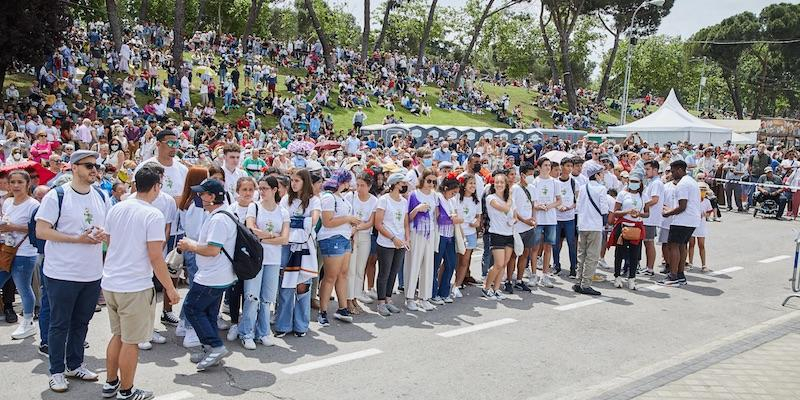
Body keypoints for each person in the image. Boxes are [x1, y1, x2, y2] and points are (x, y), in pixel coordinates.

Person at [101, 164, 180, 400]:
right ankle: (126, 390)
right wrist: (170, 287)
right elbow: (156, 256)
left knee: (118, 335)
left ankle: (111, 383)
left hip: (112, 282)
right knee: (131, 341)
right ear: (156, 187)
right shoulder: (152, 213)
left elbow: (109, 240)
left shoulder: (118, 208)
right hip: (134, 285)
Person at [36, 150, 110, 393]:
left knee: (81, 322)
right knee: (59, 324)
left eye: (95, 165)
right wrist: (77, 239)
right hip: (61, 273)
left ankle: (75, 364)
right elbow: (42, 231)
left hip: (91, 272)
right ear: (74, 167)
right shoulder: (56, 195)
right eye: (88, 165)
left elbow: (108, 230)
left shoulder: (101, 195)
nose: (94, 170)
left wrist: (102, 235)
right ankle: (56, 371)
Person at [176, 179, 237, 371]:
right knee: (209, 312)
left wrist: (189, 246)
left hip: (213, 275)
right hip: (218, 274)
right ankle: (211, 348)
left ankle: (216, 347)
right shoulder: (220, 215)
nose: (199, 196)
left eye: (203, 194)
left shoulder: (219, 219)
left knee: (192, 308)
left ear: (212, 197)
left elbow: (212, 250)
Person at [241, 176, 289, 349]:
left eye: (265, 188)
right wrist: (271, 236)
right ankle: (247, 332)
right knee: (251, 296)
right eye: (260, 188)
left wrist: (264, 237)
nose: (261, 192)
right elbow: (251, 230)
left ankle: (263, 332)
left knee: (267, 298)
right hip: (256, 259)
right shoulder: (254, 207)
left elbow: (284, 239)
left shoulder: (282, 211)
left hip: (273, 260)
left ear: (275, 190)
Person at [275, 169, 320, 337]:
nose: (293, 183)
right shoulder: (286, 199)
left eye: (297, 181)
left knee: (302, 285)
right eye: (292, 180)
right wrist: (297, 223)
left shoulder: (314, 201)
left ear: (305, 182)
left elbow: (314, 220)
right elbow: (281, 220)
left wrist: (297, 223)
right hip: (287, 245)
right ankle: (283, 325)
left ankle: (301, 325)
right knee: (285, 284)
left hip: (305, 247)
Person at [1, 170, 40, 340]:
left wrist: (13, 227)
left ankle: (28, 321)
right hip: (7, 249)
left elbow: (37, 229)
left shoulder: (34, 205)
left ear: (28, 184)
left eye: (20, 182)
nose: (16, 186)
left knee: (23, 287)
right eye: (13, 182)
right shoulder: (7, 202)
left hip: (25, 252)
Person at [317, 169, 359, 325]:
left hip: (344, 237)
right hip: (331, 238)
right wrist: (348, 218)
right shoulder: (328, 197)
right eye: (347, 181)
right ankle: (322, 312)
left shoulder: (340, 197)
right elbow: (328, 222)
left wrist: (352, 223)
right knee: (330, 276)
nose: (349, 184)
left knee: (342, 274)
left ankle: (342, 308)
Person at [373, 172, 410, 316]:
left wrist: (406, 239)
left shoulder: (404, 201)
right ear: (395, 184)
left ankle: (388, 299)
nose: (404, 185)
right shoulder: (383, 200)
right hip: (386, 242)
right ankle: (381, 302)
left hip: (400, 242)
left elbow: (406, 223)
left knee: (394, 271)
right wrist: (393, 238)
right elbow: (378, 223)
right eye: (402, 183)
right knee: (384, 273)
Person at [659, 160, 701, 286]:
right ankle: (680, 275)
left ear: (680, 170)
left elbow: (682, 206)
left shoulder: (682, 184)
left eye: (673, 171)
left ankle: (673, 276)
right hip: (692, 220)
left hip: (682, 219)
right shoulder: (692, 181)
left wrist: (668, 213)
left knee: (673, 246)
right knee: (682, 246)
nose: (671, 174)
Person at [405, 169, 439, 311]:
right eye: (428, 181)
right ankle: (409, 297)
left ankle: (424, 297)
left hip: (430, 232)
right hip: (416, 232)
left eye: (433, 181)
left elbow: (436, 215)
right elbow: (408, 217)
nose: (431, 184)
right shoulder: (414, 194)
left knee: (428, 265)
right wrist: (417, 209)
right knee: (413, 264)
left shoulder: (435, 196)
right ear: (422, 180)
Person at [345, 173, 377, 314]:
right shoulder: (349, 197)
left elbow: (371, 222)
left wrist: (356, 227)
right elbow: (346, 217)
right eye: (357, 185)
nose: (359, 188)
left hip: (364, 236)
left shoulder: (374, 201)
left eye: (362, 185)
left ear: (369, 186)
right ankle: (348, 299)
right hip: (351, 237)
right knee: (350, 270)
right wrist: (354, 227)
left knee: (360, 270)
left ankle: (355, 297)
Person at [609, 170, 647, 290]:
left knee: (634, 254)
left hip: (637, 227)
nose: (634, 184)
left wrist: (639, 213)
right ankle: (617, 276)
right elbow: (616, 212)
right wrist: (628, 212)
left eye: (636, 182)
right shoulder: (622, 194)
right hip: (624, 226)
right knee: (619, 253)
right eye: (632, 181)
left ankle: (632, 278)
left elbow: (647, 213)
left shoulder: (643, 196)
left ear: (640, 183)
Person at [574, 161, 607, 296]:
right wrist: (605, 224)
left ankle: (578, 281)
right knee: (592, 256)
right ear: (597, 175)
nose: (602, 175)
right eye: (601, 173)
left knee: (581, 254)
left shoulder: (582, 188)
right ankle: (586, 284)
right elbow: (604, 208)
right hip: (595, 225)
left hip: (582, 224)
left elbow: (578, 207)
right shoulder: (601, 189)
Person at [431, 174, 463, 304]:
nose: (454, 195)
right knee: (435, 265)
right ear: (445, 188)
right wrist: (453, 219)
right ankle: (432, 294)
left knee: (451, 264)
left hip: (450, 235)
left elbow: (454, 215)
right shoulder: (438, 198)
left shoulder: (452, 200)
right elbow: (439, 218)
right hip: (440, 235)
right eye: (452, 192)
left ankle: (444, 292)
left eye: (456, 192)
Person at [482, 170, 514, 300]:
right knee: (498, 264)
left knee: (504, 264)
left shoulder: (507, 199)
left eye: (502, 182)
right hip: (497, 233)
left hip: (509, 233)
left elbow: (512, 213)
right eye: (497, 182)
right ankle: (486, 287)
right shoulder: (491, 198)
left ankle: (496, 289)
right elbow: (505, 208)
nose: (499, 184)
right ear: (493, 184)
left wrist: (513, 219)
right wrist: (511, 196)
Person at [532, 158, 561, 288]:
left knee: (548, 247)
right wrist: (538, 206)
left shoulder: (555, 182)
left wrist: (549, 206)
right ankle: (533, 275)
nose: (548, 167)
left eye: (549, 165)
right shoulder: (535, 182)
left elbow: (559, 201)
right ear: (539, 167)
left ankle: (545, 275)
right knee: (535, 247)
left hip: (551, 219)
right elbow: (533, 201)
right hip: (538, 218)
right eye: (545, 165)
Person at [508, 163, 536, 292]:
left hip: (529, 227)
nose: (531, 176)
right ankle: (509, 280)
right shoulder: (515, 189)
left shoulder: (532, 187)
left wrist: (533, 219)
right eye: (529, 174)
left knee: (525, 254)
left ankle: (519, 280)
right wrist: (525, 220)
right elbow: (512, 209)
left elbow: (533, 206)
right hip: (517, 227)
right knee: (514, 255)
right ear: (523, 175)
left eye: (532, 174)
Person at [452, 174, 481, 297]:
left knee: (465, 261)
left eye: (474, 183)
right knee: (454, 261)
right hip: (457, 233)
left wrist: (476, 223)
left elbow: (478, 218)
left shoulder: (476, 201)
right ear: (464, 185)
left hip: (470, 234)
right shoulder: (456, 198)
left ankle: (457, 285)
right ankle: (447, 283)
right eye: (470, 183)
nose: (473, 186)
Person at [554, 158, 578, 278]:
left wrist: (569, 207)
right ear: (562, 166)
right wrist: (558, 207)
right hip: (557, 218)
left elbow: (576, 201)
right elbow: (552, 199)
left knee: (571, 243)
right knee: (556, 243)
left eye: (571, 166)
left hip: (569, 218)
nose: (569, 168)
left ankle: (573, 268)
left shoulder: (574, 182)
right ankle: (556, 266)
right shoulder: (555, 182)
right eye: (567, 166)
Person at [641, 160, 664, 276]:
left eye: (648, 169)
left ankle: (650, 268)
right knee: (646, 243)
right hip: (647, 218)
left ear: (655, 170)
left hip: (650, 218)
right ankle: (647, 267)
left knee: (649, 243)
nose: (646, 172)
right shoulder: (651, 182)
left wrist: (642, 205)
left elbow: (655, 200)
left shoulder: (656, 183)